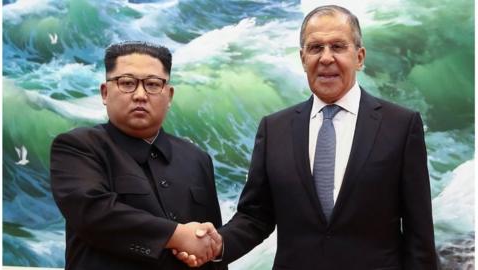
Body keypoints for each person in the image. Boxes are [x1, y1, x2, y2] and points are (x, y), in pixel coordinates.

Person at [178, 5, 437, 270]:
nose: (326, 58)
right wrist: (218, 244)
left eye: (338, 46)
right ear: (303, 59)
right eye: (315, 48)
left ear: (359, 57)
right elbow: (256, 216)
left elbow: (420, 235)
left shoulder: (400, 125)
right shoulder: (274, 129)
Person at [50, 41, 224, 270]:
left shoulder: (197, 158)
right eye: (127, 83)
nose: (140, 95)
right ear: (105, 92)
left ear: (169, 95)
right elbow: (94, 214)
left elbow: (208, 241)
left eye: (153, 84)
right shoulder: (78, 147)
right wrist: (177, 235)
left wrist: (211, 249)